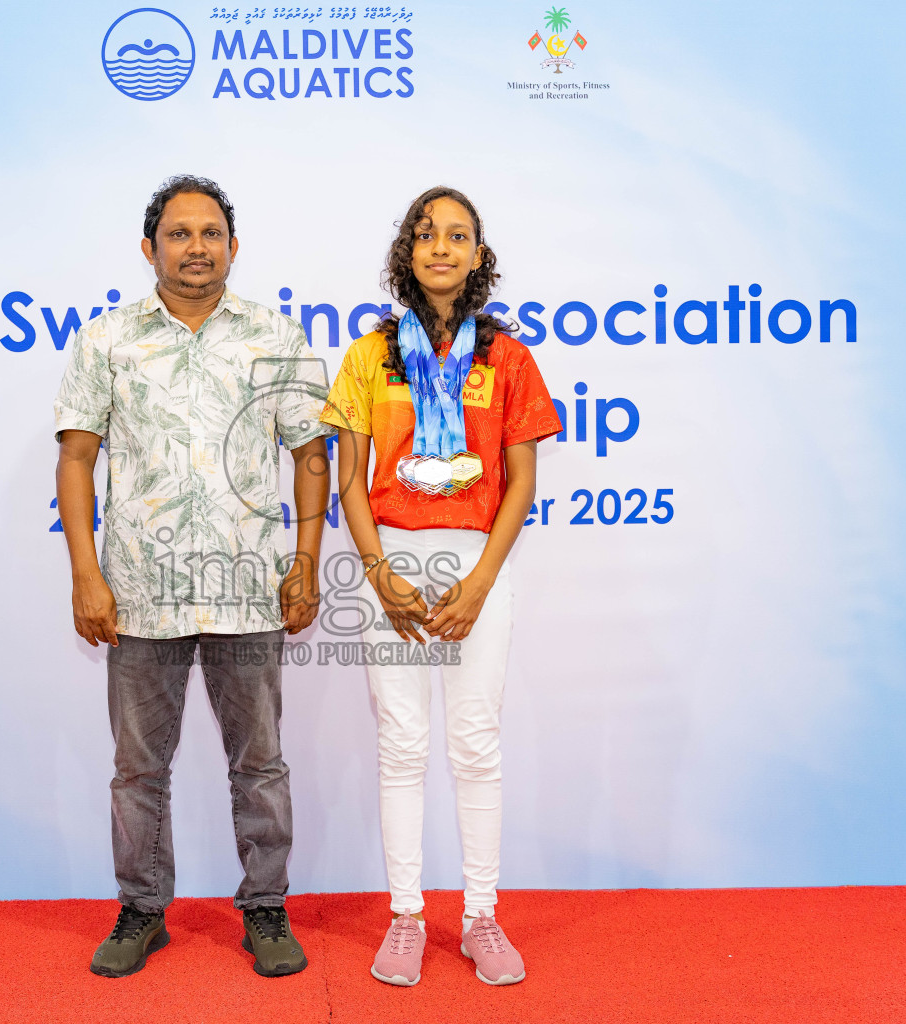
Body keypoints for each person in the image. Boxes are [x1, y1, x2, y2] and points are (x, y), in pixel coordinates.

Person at [55, 175, 332, 979]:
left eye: (211, 233)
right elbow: (77, 458)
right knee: (140, 768)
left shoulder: (275, 337)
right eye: (178, 234)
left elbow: (311, 456)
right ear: (149, 249)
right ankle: (142, 910)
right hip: (139, 593)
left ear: (233, 247)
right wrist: (86, 572)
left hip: (250, 588)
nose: (196, 248)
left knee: (261, 764)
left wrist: (305, 563)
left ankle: (267, 908)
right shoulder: (106, 340)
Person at [321, 186, 561, 987]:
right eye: (426, 234)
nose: (441, 248)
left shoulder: (510, 357)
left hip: (479, 560)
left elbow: (520, 482)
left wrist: (483, 580)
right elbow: (348, 481)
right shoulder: (367, 355)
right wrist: (380, 575)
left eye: (458, 235)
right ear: (406, 251)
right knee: (402, 744)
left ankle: (483, 916)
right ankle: (406, 917)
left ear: (479, 255)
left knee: (474, 741)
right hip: (391, 558)